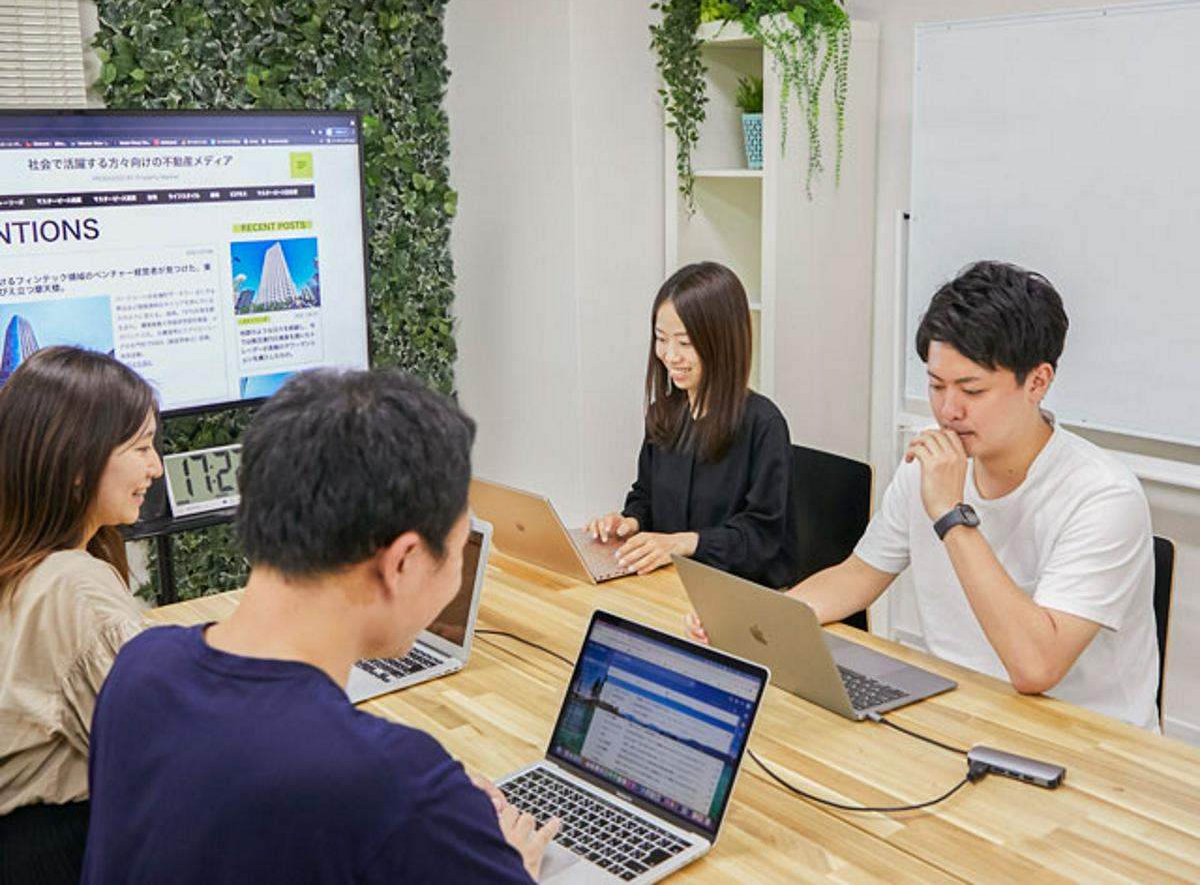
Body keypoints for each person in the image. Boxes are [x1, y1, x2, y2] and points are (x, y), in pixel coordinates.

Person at [82, 368, 559, 884]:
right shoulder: (397, 787)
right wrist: (506, 860)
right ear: (402, 562)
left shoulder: (140, 668)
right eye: (457, 549)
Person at [688, 261, 1160, 730]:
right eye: (936, 386)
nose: (948, 410)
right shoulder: (930, 460)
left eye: (972, 390)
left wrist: (952, 515)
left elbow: (1035, 668)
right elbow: (858, 577)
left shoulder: (1102, 496)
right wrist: (758, 625)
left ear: (1037, 382)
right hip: (962, 708)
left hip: (1086, 739)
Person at [0, 346, 160, 884]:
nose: (156, 467)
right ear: (76, 463)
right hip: (62, 852)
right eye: (141, 447)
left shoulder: (25, 563)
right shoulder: (74, 586)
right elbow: (161, 753)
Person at [586, 261, 798, 587]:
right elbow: (646, 496)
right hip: (670, 583)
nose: (670, 356)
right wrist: (630, 522)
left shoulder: (764, 424)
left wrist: (684, 543)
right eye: (661, 339)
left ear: (723, 341)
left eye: (685, 343)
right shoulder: (664, 413)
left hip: (736, 593)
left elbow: (761, 538)